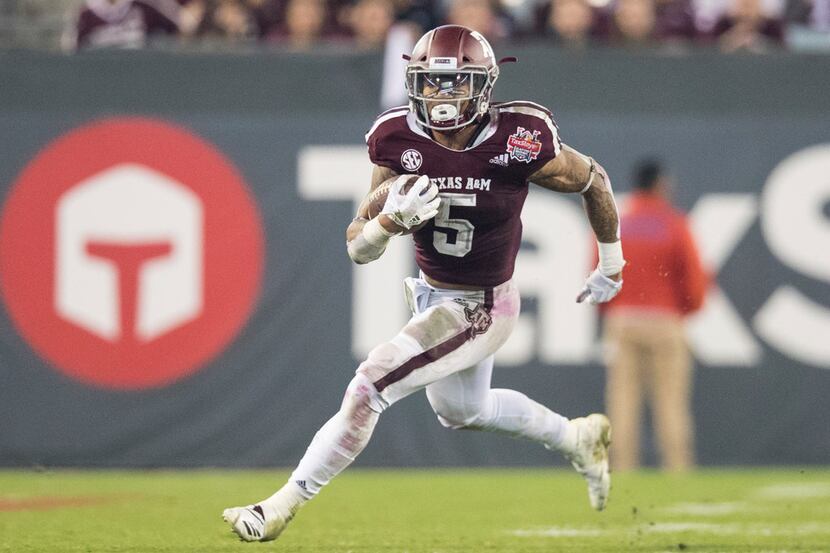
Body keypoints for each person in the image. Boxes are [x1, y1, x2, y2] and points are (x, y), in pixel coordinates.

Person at [223, 24, 625, 542]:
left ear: (484, 84)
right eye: (432, 83)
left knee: (371, 385)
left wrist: (610, 263)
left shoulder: (519, 138)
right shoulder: (396, 138)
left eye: (457, 82)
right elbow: (357, 247)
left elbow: (593, 179)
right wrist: (388, 223)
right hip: (435, 293)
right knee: (463, 409)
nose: (442, 95)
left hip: (481, 305)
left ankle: (278, 507)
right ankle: (576, 438)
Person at [601, 159, 708, 472]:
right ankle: (677, 469)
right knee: (671, 403)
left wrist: (617, 310)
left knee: (622, 402)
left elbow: (599, 272)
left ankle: (620, 470)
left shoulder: (619, 222)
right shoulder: (674, 223)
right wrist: (680, 312)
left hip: (624, 320)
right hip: (664, 320)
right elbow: (695, 280)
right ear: (660, 185)